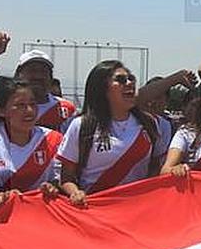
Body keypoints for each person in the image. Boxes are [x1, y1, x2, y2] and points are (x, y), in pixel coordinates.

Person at [57, 61, 166, 206]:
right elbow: (66, 178)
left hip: (137, 208)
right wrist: (75, 193)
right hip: (95, 209)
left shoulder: (149, 123)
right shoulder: (81, 126)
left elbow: (155, 167)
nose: (129, 83)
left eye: (131, 78)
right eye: (120, 80)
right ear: (102, 89)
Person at [0, 77, 61, 212]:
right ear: (0, 110)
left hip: (39, 216)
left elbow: (61, 180)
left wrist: (52, 187)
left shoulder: (54, 140)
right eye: (20, 105)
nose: (29, 111)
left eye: (33, 104)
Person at [0, 43, 78, 133]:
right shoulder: (0, 99)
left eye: (43, 71)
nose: (38, 76)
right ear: (18, 74)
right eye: (32, 70)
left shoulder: (66, 109)